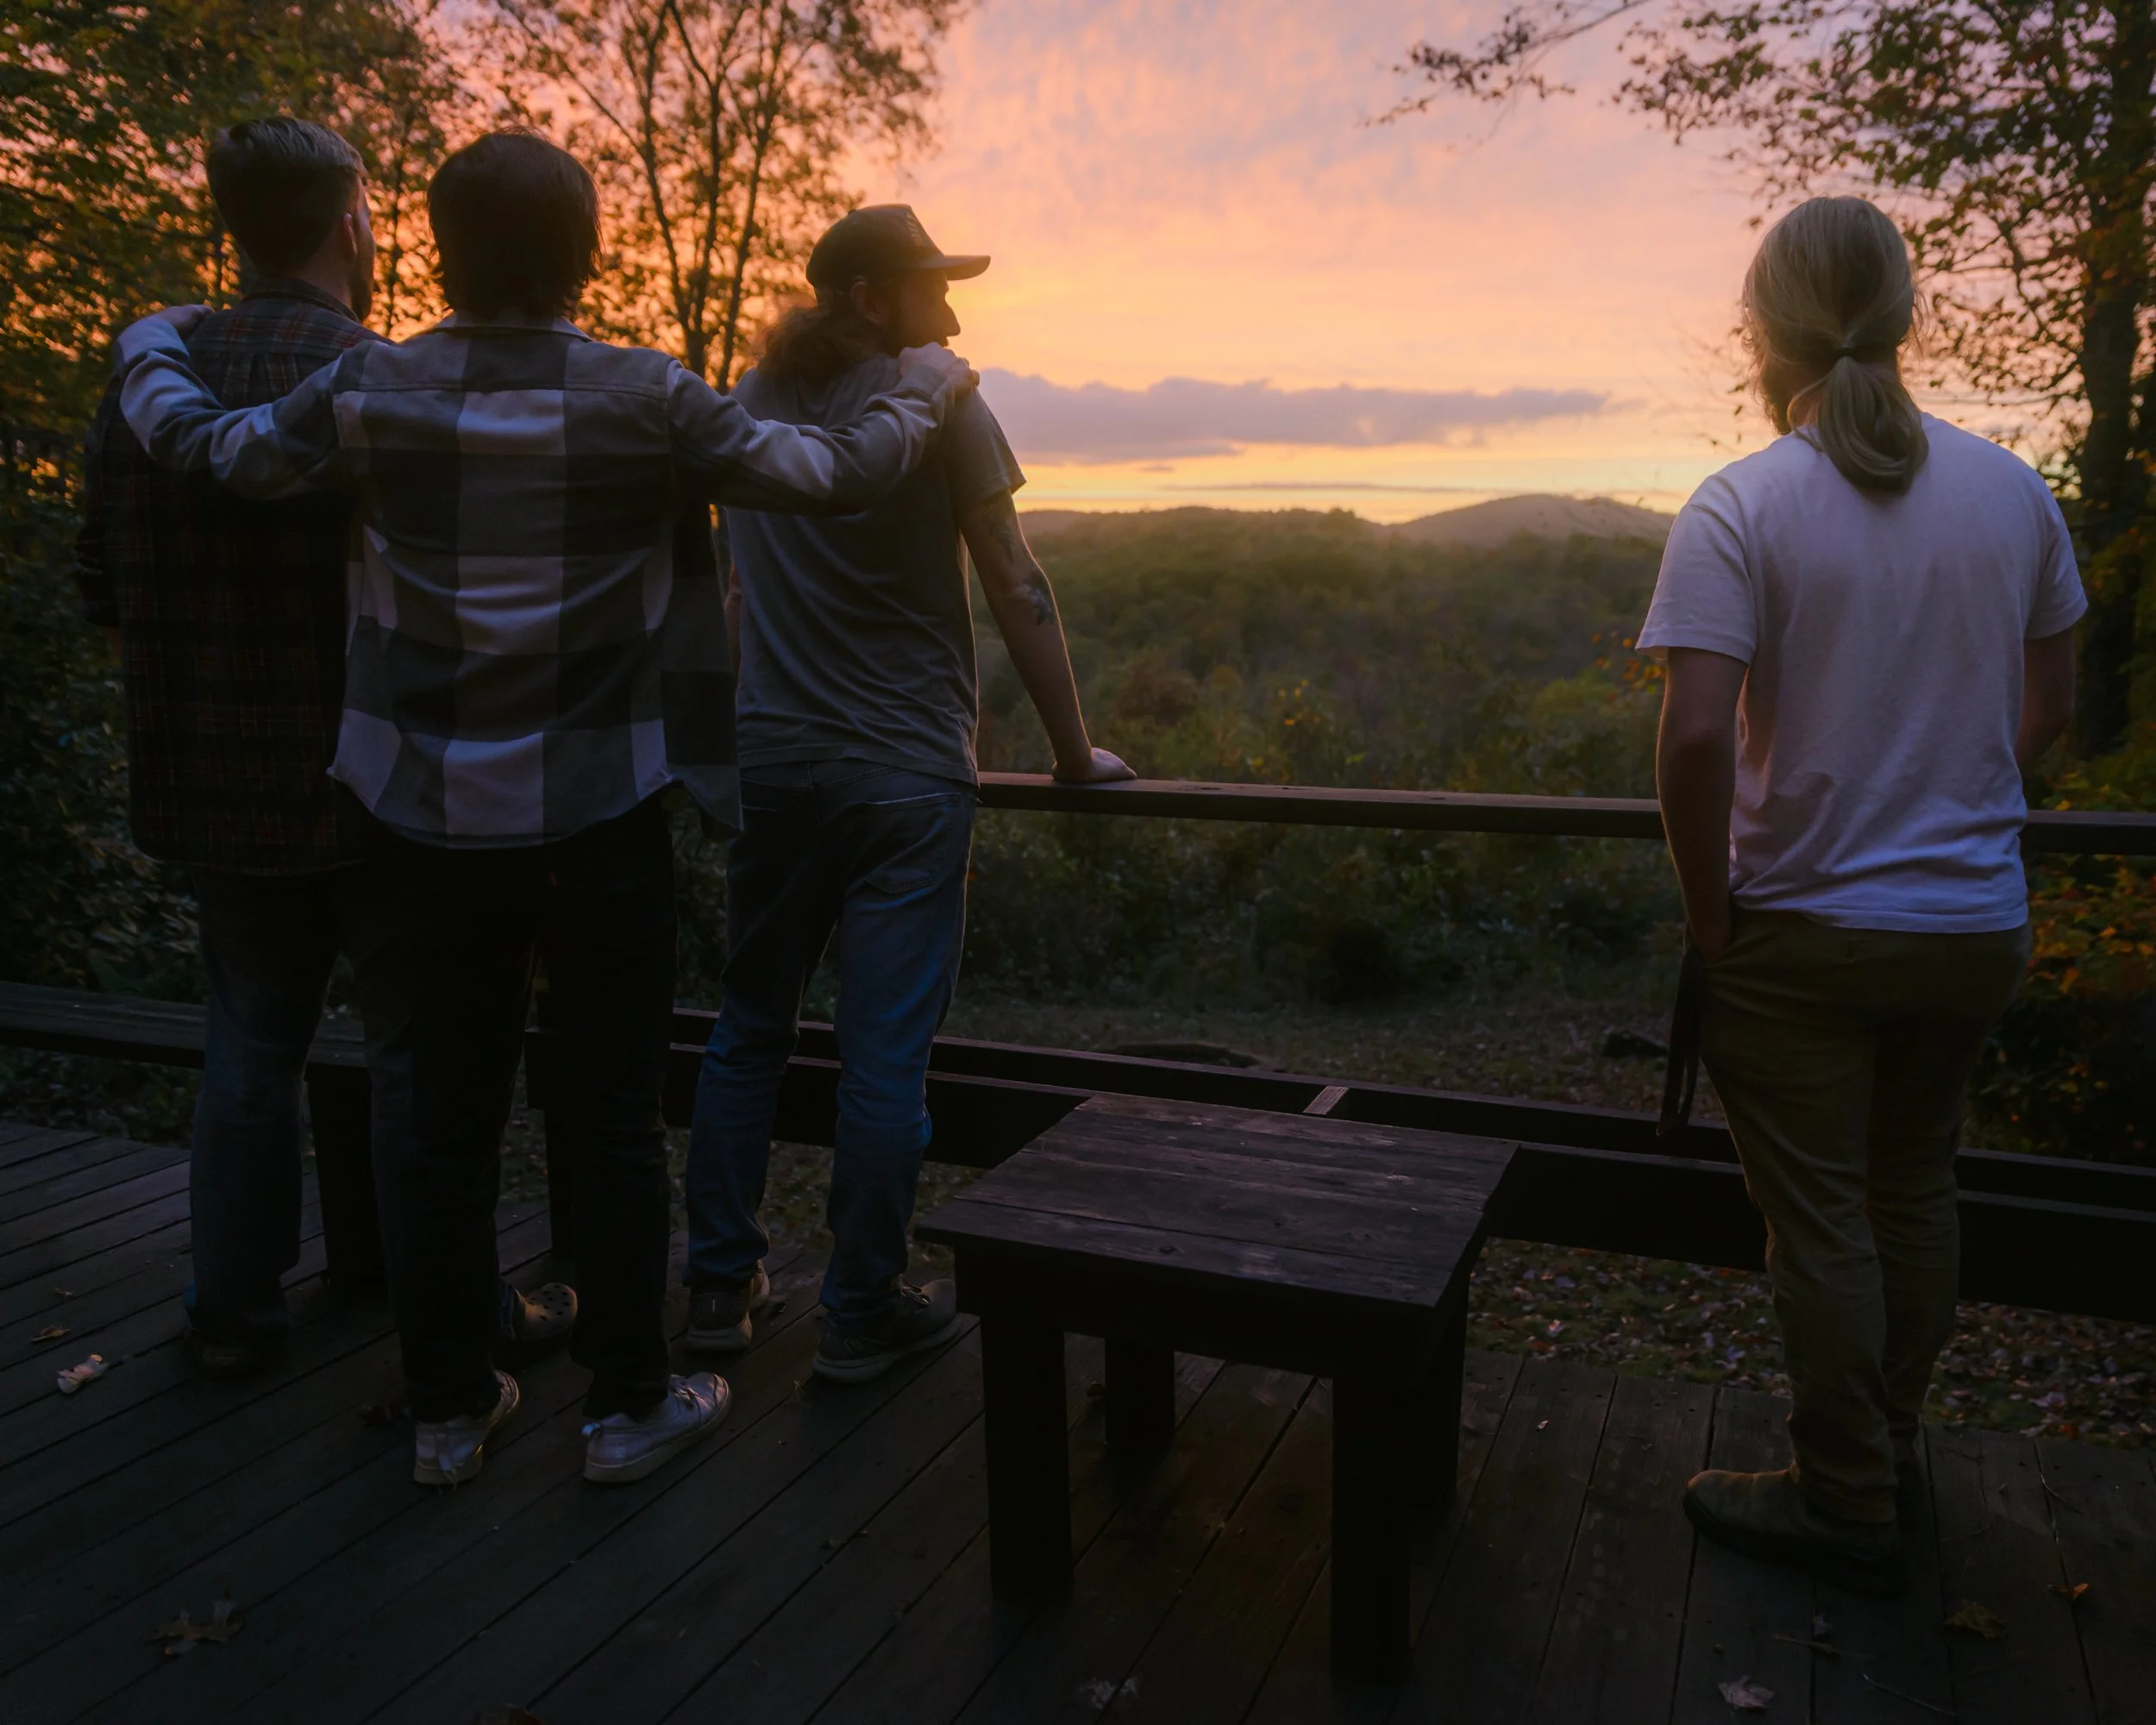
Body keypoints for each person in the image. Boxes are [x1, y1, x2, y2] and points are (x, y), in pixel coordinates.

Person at [108, 133, 979, 1487]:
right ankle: (630, 1409)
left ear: (438, 253)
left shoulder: (372, 388)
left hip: (418, 829)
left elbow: (202, 448)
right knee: (614, 1116)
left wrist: (147, 337)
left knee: (440, 1118)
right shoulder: (647, 399)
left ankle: (453, 1408)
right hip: (600, 826)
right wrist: (922, 384)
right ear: (583, 256)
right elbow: (834, 472)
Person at [73, 117, 573, 1381]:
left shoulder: (145, 384)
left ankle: (234, 1316)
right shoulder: (379, 377)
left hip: (212, 779)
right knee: (418, 1064)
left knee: (247, 1049)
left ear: (233, 226)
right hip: (374, 786)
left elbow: (100, 588)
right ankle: (443, 1324)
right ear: (352, 216)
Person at [1642, 196, 2084, 1596]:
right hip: (1970, 929)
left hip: (1808, 930)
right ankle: (1885, 1450)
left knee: (1822, 1219)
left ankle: (1843, 1501)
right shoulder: (2014, 493)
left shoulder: (1742, 503)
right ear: (1905, 317)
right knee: (1915, 1184)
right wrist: (1957, 793)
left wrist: (1712, 917)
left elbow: (1700, 735)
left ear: (1760, 329)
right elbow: (2050, 703)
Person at [681, 204, 1131, 1382]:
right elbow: (1019, 585)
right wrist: (1076, 754)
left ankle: (718, 1294)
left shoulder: (748, 403)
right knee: (885, 1057)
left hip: (775, 765)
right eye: (933, 287)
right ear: (872, 296)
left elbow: (738, 602)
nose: (954, 311)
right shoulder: (944, 404)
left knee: (745, 1037)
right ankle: (861, 1309)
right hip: (905, 775)